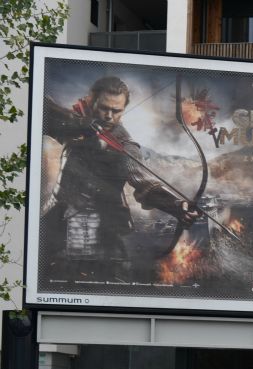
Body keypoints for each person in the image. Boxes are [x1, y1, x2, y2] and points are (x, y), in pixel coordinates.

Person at [41, 76, 200, 280]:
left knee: (98, 280)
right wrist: (78, 124)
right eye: (103, 108)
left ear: (124, 109)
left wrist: (176, 205)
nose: (108, 116)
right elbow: (42, 110)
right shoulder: (78, 123)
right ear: (92, 103)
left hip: (101, 227)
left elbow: (144, 181)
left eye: (116, 111)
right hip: (59, 214)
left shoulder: (125, 145)